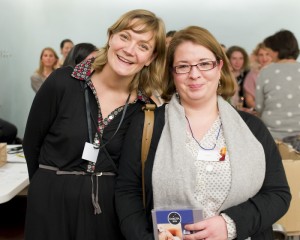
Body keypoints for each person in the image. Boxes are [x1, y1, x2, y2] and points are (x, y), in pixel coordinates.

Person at [115, 26, 291, 240]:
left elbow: (278, 194)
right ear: (172, 73)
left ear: (219, 67)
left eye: (204, 64)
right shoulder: (147, 125)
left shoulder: (253, 129)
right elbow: (127, 192)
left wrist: (230, 224)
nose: (194, 74)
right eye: (183, 66)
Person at [23, 9, 166, 240]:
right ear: (111, 37)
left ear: (151, 57)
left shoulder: (144, 109)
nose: (129, 50)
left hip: (105, 212)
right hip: (50, 202)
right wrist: (45, 189)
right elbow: (31, 144)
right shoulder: (63, 82)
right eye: (125, 37)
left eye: (143, 46)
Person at [256, 29, 300, 140]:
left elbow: (259, 107)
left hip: (272, 136)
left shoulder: (265, 71)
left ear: (277, 51)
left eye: (270, 50)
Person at [243, 43, 272, 109]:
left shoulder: (278, 72)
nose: (264, 58)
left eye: (267, 54)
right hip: (260, 113)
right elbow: (249, 101)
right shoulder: (252, 75)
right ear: (257, 57)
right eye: (261, 55)